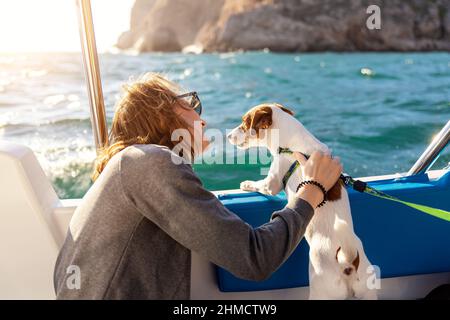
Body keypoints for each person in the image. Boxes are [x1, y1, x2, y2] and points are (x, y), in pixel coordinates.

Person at [53, 73, 343, 299]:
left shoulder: (129, 168)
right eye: (191, 104)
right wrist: (311, 190)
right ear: (162, 113)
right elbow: (255, 258)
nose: (202, 119)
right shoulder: (151, 163)